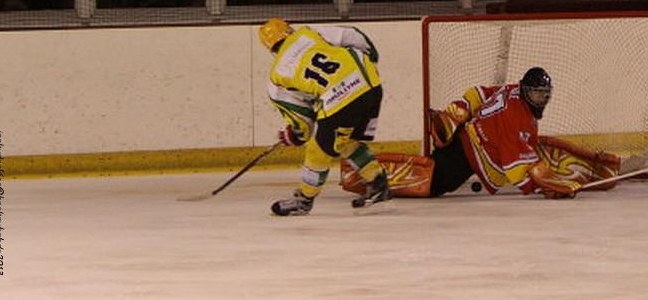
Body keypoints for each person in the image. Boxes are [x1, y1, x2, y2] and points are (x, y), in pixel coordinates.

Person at [340, 67, 621, 200]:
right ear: (525, 90)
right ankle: (363, 172)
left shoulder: (513, 90)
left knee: (535, 155)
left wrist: (458, 110)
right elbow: (515, 172)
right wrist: (542, 187)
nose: (541, 98)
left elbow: (479, 93)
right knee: (431, 183)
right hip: (468, 154)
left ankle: (596, 169)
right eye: (536, 93)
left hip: (467, 134)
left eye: (544, 94)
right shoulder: (518, 119)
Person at [258, 18, 391, 215]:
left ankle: (304, 199)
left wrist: (294, 136)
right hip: (370, 82)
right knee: (345, 141)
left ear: (269, 48)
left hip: (340, 98)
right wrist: (371, 58)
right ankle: (378, 183)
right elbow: (352, 35)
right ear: (289, 30)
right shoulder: (308, 32)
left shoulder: (277, 77)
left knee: (317, 149)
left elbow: (303, 123)